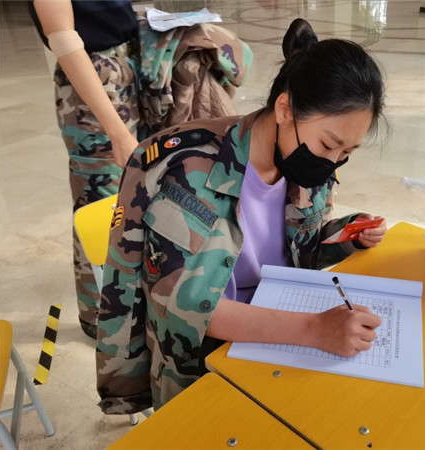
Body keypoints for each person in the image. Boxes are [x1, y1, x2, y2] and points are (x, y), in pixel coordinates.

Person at [96, 18, 387, 414]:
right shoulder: (188, 170)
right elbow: (186, 305)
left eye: (346, 153)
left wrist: (347, 235)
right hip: (203, 358)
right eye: (328, 145)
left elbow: (298, 249)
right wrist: (314, 329)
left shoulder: (306, 167)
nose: (332, 163)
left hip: (280, 331)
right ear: (284, 109)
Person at [30, 0, 145, 339]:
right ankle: (101, 316)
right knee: (103, 205)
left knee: (132, 199)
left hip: (128, 65)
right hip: (92, 81)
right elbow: (63, 38)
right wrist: (117, 132)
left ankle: (129, 305)